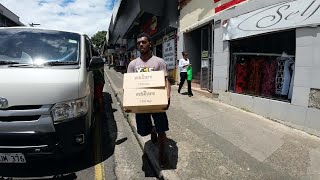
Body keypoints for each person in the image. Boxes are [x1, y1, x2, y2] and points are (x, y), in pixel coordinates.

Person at [126, 32, 171, 168]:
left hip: (157, 101)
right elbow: (128, 84)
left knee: (162, 129)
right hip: (141, 103)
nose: (141, 44)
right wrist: (127, 102)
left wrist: (168, 97)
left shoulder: (159, 62)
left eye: (144, 42)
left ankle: (162, 153)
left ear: (150, 43)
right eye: (139, 42)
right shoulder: (133, 64)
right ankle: (152, 130)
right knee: (143, 131)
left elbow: (166, 81)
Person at [92, 48, 105, 112]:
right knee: (99, 94)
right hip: (102, 81)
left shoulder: (94, 61)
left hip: (98, 82)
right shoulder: (100, 60)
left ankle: (101, 108)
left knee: (98, 95)